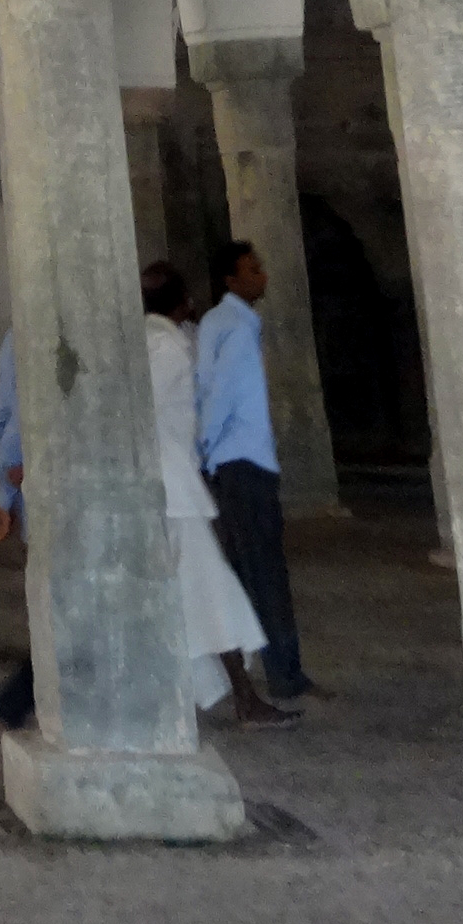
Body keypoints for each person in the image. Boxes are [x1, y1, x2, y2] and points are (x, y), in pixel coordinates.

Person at [142, 263, 296, 727]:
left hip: (161, 487)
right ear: (184, 302)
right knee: (212, 593)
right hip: (173, 490)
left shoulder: (146, 341)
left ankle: (226, 697)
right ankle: (245, 700)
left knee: (189, 595)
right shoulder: (168, 347)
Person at [196, 238, 325, 701]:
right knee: (264, 574)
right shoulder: (233, 327)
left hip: (235, 462)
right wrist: (206, 450)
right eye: (252, 270)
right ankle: (283, 674)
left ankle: (276, 670)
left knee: (254, 570)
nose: (263, 276)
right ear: (230, 280)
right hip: (243, 463)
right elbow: (219, 398)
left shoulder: (222, 322)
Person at [0, 325, 38, 731]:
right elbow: (15, 417)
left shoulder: (16, 334)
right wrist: (8, 485)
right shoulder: (28, 333)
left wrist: (6, 493)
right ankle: (19, 696)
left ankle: (18, 697)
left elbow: (4, 418)